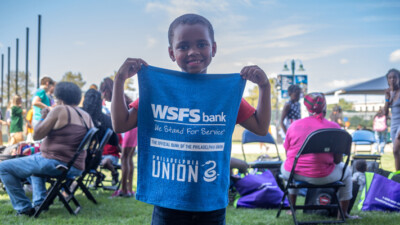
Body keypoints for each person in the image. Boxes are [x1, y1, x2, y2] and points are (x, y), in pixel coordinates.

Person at [111, 13, 271, 225]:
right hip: (168, 202)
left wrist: (264, 87)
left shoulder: (225, 94)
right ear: (171, 52)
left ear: (213, 48)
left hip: (210, 203)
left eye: (201, 44)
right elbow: (121, 124)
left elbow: (260, 127)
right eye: (183, 46)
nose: (193, 51)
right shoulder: (159, 91)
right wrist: (119, 80)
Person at [0, 82, 94, 216]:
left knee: (3, 167)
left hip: (56, 163)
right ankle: (39, 202)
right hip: (75, 165)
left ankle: (24, 208)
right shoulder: (86, 116)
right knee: (34, 162)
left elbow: (37, 134)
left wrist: (43, 116)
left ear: (60, 98)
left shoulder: (60, 110)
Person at [280, 92, 357, 219]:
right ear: (324, 106)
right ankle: (343, 214)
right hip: (322, 176)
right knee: (347, 172)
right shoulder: (334, 128)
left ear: (306, 107)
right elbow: (338, 161)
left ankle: (292, 208)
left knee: (289, 167)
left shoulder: (294, 126)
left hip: (294, 172)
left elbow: (288, 154)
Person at [82, 89, 120, 187]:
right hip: (93, 160)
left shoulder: (78, 115)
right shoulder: (106, 120)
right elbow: (114, 141)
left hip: (75, 159)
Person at [383, 68, 400, 170]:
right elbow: (385, 113)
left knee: (395, 149)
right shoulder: (390, 93)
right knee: (397, 152)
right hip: (394, 124)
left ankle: (397, 174)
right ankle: (398, 176)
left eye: (394, 77)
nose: (392, 80)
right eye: (390, 78)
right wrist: (387, 98)